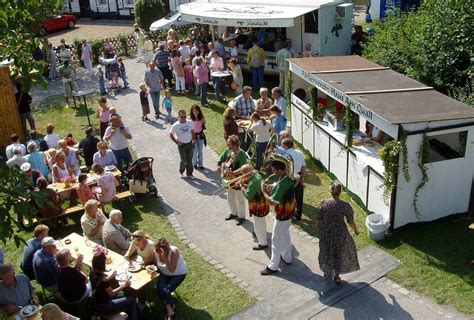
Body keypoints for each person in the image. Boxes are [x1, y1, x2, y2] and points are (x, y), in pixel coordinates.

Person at [316, 180, 360, 283]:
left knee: (327, 251)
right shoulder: (345, 205)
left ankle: (327, 272)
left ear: (330, 191)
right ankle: (336, 276)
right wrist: (356, 230)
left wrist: (319, 226)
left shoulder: (323, 203)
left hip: (326, 232)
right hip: (340, 233)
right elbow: (351, 221)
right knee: (338, 253)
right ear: (340, 192)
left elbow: (318, 218)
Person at [260, 160, 296, 276]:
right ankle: (287, 257)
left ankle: (273, 266)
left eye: (273, 170)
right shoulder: (289, 177)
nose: (272, 171)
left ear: (278, 170)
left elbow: (272, 202)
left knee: (276, 239)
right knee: (285, 234)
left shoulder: (281, 184)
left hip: (282, 214)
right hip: (289, 212)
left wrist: (263, 191)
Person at [89, 252, 143, 320]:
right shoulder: (103, 281)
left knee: (130, 294)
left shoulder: (92, 272)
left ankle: (138, 316)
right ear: (102, 264)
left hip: (98, 300)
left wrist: (110, 276)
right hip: (103, 305)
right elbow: (112, 294)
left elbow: (102, 280)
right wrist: (124, 285)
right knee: (132, 299)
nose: (105, 264)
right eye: (105, 262)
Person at [217, 135, 248, 225]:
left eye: (229, 144)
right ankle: (234, 213)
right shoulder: (228, 150)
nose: (228, 146)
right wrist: (219, 166)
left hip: (238, 180)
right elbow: (221, 159)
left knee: (240, 199)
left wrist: (233, 173)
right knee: (230, 197)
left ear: (235, 145)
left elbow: (243, 169)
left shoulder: (241, 154)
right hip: (228, 180)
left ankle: (241, 216)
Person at [153, 238, 187, 320]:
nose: (157, 251)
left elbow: (172, 270)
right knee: (159, 287)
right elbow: (155, 265)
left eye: (159, 249)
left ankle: (167, 310)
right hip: (164, 273)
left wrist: (164, 257)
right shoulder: (155, 252)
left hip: (178, 273)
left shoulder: (174, 251)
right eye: (156, 249)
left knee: (166, 290)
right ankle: (170, 309)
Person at [239, 165, 269, 250]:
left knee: (259, 224)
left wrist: (241, 187)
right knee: (260, 222)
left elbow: (248, 195)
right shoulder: (256, 175)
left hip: (258, 206)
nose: (242, 176)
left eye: (243, 174)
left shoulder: (252, 183)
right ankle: (257, 233)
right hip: (263, 203)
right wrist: (245, 184)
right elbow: (253, 189)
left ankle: (263, 243)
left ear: (246, 173)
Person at [281, 138, 306, 220]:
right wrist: (302, 177)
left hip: (289, 177)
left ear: (286, 145)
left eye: (282, 145)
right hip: (298, 175)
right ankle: (298, 214)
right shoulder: (299, 152)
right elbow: (303, 166)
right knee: (299, 196)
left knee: (288, 196)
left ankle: (289, 213)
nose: (281, 146)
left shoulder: (284, 154)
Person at [170, 110, 196, 179]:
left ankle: (189, 174)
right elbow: (171, 134)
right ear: (179, 117)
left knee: (189, 160)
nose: (184, 118)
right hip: (182, 145)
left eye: (185, 116)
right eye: (182, 117)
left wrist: (193, 139)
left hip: (189, 143)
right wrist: (177, 142)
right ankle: (181, 172)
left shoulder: (190, 122)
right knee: (183, 160)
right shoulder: (175, 125)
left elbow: (192, 131)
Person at [232, 86, 256, 151]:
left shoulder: (250, 98)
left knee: (250, 135)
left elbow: (253, 109)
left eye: (250, 93)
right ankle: (242, 150)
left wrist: (254, 115)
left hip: (249, 120)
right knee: (241, 137)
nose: (249, 95)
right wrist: (240, 116)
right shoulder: (237, 100)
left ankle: (248, 150)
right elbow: (233, 113)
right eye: (248, 93)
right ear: (244, 93)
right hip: (240, 120)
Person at [190, 105, 206, 169]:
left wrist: (202, 120)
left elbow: (205, 122)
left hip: (200, 135)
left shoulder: (201, 117)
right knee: (195, 150)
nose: (196, 112)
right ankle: (195, 163)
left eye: (197, 110)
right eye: (194, 110)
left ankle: (200, 164)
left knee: (200, 150)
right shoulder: (190, 118)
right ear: (192, 111)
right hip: (193, 136)